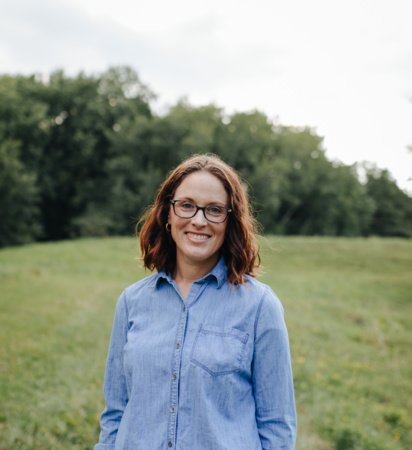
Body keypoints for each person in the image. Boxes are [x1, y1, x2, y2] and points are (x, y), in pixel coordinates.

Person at [94, 154, 297, 450]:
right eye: (187, 205)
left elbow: (277, 426)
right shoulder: (131, 302)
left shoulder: (260, 307)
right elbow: (115, 413)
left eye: (214, 210)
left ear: (230, 220)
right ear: (168, 213)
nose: (199, 221)